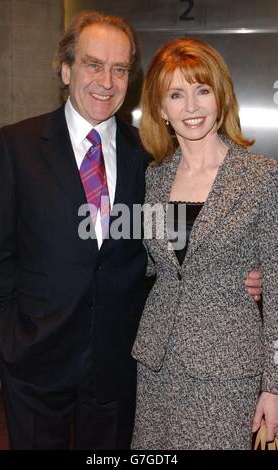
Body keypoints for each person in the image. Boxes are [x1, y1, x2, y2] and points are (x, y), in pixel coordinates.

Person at [0, 11, 262, 450]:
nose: (106, 81)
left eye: (118, 69)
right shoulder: (15, 146)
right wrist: (7, 334)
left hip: (119, 367)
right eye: (93, 64)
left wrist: (246, 272)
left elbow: (174, 251)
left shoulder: (149, 157)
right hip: (35, 364)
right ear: (65, 69)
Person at [132, 37, 278, 450]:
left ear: (221, 97)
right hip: (158, 365)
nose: (191, 107)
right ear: (161, 109)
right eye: (176, 95)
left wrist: (275, 385)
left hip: (228, 371)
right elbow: (151, 266)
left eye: (202, 90)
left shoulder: (262, 177)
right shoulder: (154, 178)